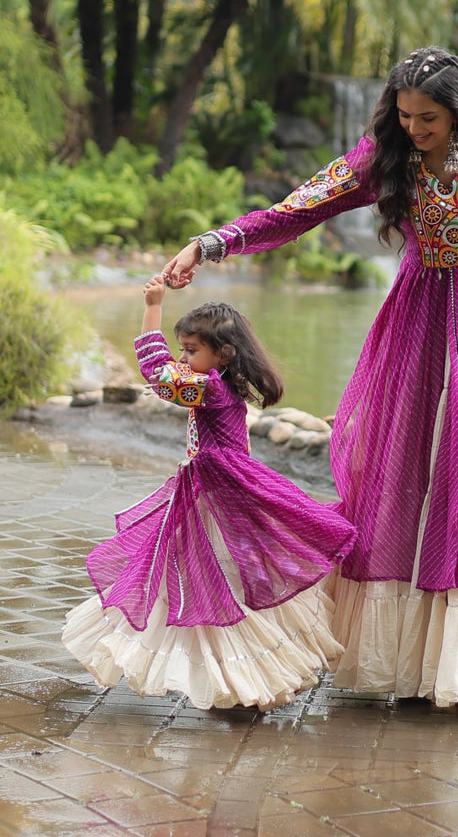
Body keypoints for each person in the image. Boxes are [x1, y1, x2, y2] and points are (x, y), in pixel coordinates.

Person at [163, 46, 458, 710]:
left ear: (457, 110)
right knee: (405, 462)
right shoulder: (383, 158)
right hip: (421, 320)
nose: (414, 128)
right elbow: (296, 210)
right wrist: (210, 245)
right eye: (404, 115)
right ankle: (409, 654)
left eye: (427, 117)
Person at [62, 276, 356, 711]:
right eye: (182, 348)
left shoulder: (211, 387)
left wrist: (153, 307)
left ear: (223, 354)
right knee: (218, 578)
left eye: (191, 350)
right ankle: (243, 676)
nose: (183, 358)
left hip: (216, 496)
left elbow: (158, 376)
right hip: (217, 493)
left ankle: (240, 677)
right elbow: (169, 376)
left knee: (213, 580)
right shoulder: (222, 384)